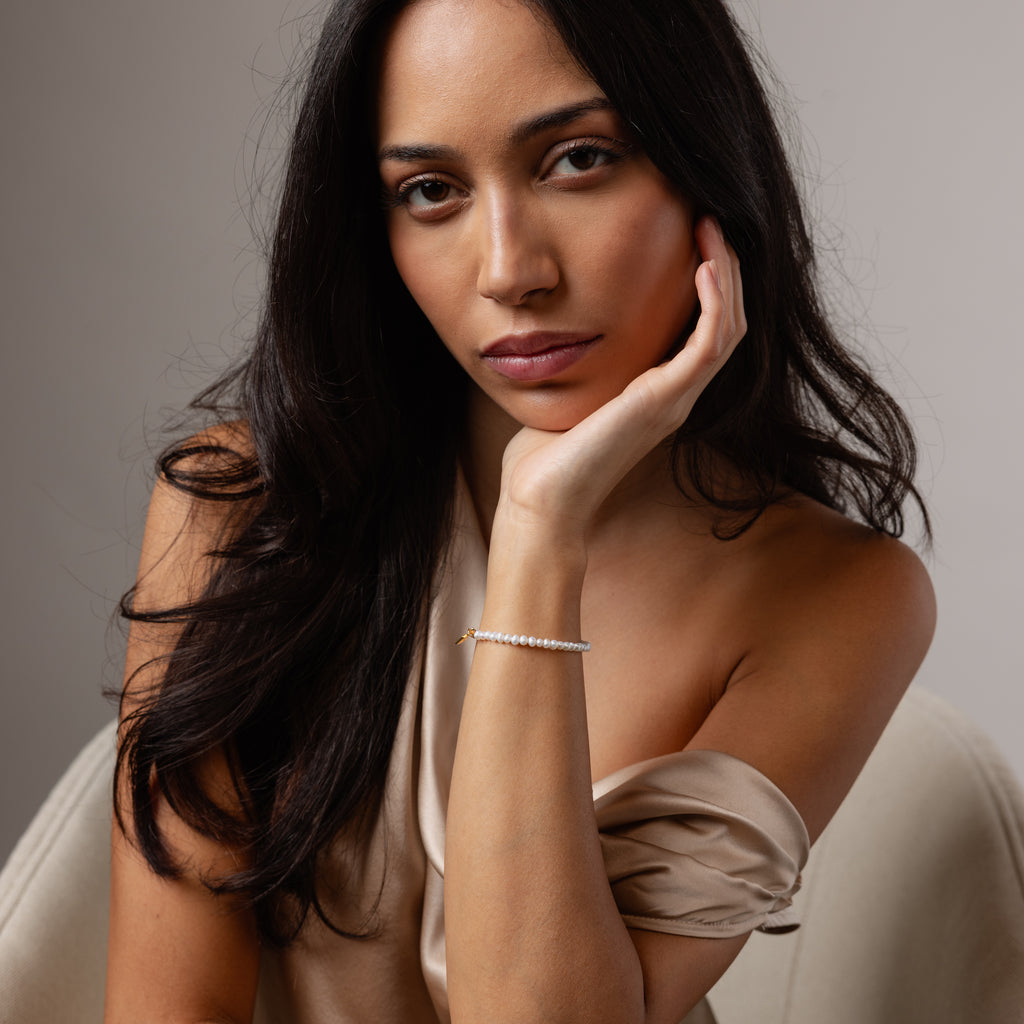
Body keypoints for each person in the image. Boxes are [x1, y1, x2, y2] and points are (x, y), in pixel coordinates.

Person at [104, 0, 935, 1021]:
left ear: (708, 170)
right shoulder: (242, 509)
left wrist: (541, 533)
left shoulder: (838, 591)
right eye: (430, 190)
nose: (509, 272)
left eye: (578, 160)